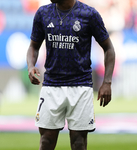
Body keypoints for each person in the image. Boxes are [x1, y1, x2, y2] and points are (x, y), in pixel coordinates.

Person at [27, 0, 115, 149]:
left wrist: (107, 82)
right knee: (46, 140)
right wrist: (31, 66)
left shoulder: (89, 14)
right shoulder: (43, 13)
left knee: (78, 142)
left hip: (81, 86)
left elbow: (109, 48)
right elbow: (33, 46)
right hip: (51, 85)